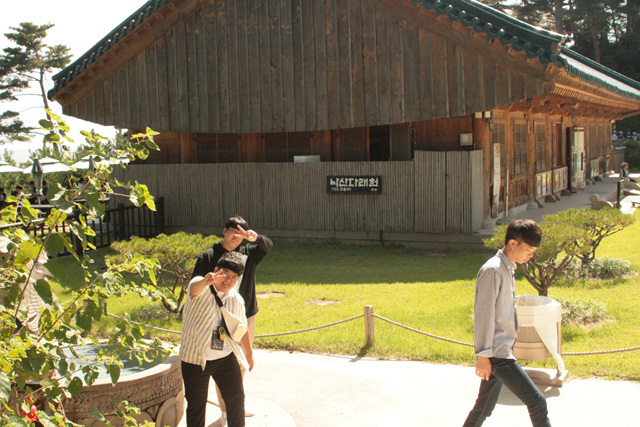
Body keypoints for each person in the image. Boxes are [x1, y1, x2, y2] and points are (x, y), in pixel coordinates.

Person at [463, 219, 550, 427]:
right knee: (537, 402)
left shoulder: (508, 268)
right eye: (529, 249)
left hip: (500, 351)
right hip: (497, 354)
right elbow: (483, 316)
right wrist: (483, 355)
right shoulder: (493, 270)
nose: (531, 255)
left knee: (483, 409)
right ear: (513, 243)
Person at [191, 216, 273, 417]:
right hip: (215, 317)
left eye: (241, 233)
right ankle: (227, 410)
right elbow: (196, 285)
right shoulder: (209, 256)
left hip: (245, 315)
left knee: (241, 360)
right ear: (224, 230)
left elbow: (267, 246)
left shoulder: (248, 253)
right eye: (233, 231)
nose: (237, 236)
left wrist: (256, 238)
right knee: (221, 362)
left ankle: (234, 406)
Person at [180, 252, 254, 427]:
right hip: (195, 358)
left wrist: (249, 355)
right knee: (196, 405)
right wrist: (206, 281)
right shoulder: (201, 286)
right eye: (225, 274)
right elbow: (194, 290)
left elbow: (242, 328)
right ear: (215, 271)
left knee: (236, 402)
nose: (228, 280)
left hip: (225, 358)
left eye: (234, 277)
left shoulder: (236, 299)